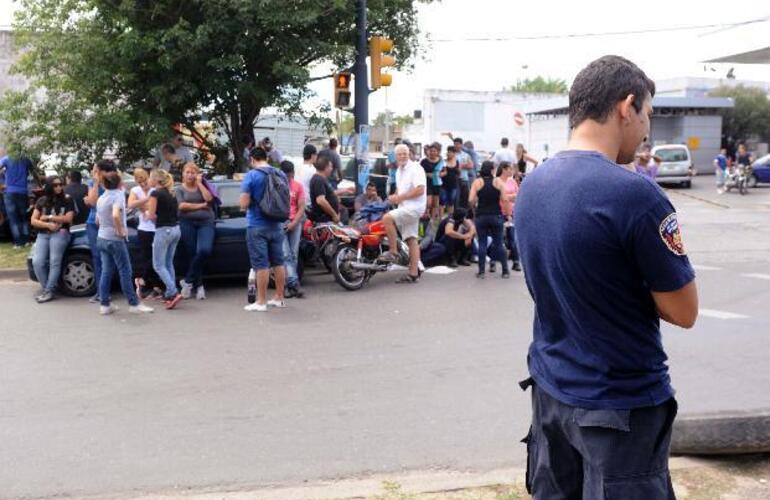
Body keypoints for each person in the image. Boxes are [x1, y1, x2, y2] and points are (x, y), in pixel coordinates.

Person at [515, 55, 698, 499]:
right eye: (648, 116)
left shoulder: (533, 186)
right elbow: (684, 310)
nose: (647, 131)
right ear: (626, 105)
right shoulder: (634, 195)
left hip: (552, 394)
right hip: (619, 409)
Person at [96, 171, 154, 315]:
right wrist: (120, 230)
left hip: (102, 237)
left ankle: (104, 304)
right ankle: (133, 304)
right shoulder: (118, 196)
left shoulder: (102, 197)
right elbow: (116, 214)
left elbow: (98, 220)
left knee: (106, 271)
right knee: (125, 271)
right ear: (120, 183)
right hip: (114, 239)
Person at [240, 148, 288, 312]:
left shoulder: (252, 175)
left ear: (252, 159)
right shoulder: (280, 174)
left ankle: (261, 301)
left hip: (257, 225)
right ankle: (279, 298)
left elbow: (244, 203)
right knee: (279, 262)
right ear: (266, 158)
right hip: (277, 224)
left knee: (261, 265)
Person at [380, 143, 427, 283]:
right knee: (412, 239)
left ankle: (393, 251)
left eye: (405, 154)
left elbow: (420, 190)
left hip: (413, 208)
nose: (402, 156)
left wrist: (399, 198)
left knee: (387, 219)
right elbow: (401, 190)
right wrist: (394, 197)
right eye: (399, 154)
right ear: (395, 156)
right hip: (405, 206)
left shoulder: (416, 168)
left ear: (410, 154)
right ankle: (413, 273)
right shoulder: (399, 170)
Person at [30, 176, 74, 303]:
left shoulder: (67, 199)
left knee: (55, 261)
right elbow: (33, 220)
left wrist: (49, 217)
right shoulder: (42, 200)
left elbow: (68, 218)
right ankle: (48, 289)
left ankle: (48, 291)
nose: (59, 187)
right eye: (55, 185)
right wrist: (47, 225)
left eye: (60, 184)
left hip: (61, 233)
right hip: (43, 234)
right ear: (49, 186)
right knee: (37, 262)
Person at [176, 162, 215, 300]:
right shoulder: (179, 189)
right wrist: (201, 205)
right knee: (192, 254)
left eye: (193, 172)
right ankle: (199, 286)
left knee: (204, 250)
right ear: (183, 174)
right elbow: (182, 206)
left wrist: (200, 184)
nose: (190, 175)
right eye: (187, 172)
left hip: (206, 222)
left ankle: (187, 282)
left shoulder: (203, 185)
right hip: (187, 223)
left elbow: (209, 199)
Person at [146, 169, 183, 310]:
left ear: (156, 180)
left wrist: (146, 213)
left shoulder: (155, 193)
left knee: (158, 265)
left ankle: (173, 291)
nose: (149, 180)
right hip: (175, 229)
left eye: (150, 177)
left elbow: (151, 215)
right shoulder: (171, 193)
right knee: (168, 263)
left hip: (163, 230)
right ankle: (170, 293)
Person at [469, 160, 511, 279]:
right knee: (499, 243)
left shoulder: (477, 182)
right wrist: (508, 214)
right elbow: (505, 199)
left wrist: (474, 208)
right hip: (496, 215)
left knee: (482, 243)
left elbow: (471, 199)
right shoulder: (498, 181)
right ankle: (505, 271)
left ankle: (482, 272)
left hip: (481, 216)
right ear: (492, 169)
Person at [84, 159, 117, 303]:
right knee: (97, 257)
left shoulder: (113, 184)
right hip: (93, 223)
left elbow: (91, 201)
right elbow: (92, 201)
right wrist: (96, 183)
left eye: (96, 170)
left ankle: (108, 289)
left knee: (110, 257)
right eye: (93, 170)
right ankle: (101, 292)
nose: (93, 172)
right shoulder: (92, 183)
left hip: (108, 223)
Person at [127, 168, 162, 299]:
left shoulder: (155, 190)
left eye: (144, 180)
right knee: (146, 258)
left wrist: (143, 205)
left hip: (157, 228)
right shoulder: (135, 191)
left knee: (156, 258)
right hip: (144, 228)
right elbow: (130, 204)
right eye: (139, 181)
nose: (142, 184)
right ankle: (151, 285)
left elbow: (156, 207)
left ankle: (148, 283)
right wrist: (146, 200)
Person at [280, 160, 306, 299]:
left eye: (290, 176)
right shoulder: (276, 187)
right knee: (285, 255)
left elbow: (301, 207)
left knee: (293, 255)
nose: (289, 179)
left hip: (295, 222)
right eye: (286, 176)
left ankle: (291, 286)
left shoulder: (298, 186)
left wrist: (294, 222)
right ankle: (292, 284)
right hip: (281, 222)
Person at [0, 153, 33, 248]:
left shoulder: (6, 159)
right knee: (24, 217)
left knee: (14, 219)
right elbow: (33, 172)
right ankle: (27, 241)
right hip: (23, 191)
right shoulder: (26, 159)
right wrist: (40, 184)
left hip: (10, 192)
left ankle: (18, 243)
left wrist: (1, 185)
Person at [497, 161, 521, 271]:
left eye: (512, 169)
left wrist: (508, 197)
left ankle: (516, 261)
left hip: (512, 212)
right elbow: (500, 197)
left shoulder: (512, 182)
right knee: (498, 237)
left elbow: (518, 195)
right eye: (510, 169)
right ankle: (495, 260)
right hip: (499, 211)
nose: (512, 171)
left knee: (512, 237)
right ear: (503, 169)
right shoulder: (497, 181)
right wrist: (510, 197)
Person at [308, 156, 341, 224]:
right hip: (324, 220)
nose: (331, 169)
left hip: (328, 220)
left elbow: (330, 194)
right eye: (330, 166)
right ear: (326, 167)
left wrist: (345, 190)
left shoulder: (322, 179)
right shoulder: (318, 180)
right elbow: (321, 200)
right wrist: (334, 215)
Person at [420, 143, 443, 221]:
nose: (432, 152)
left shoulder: (441, 161)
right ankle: (425, 215)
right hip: (427, 183)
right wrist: (427, 174)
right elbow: (419, 172)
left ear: (438, 152)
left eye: (434, 151)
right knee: (428, 202)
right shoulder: (424, 161)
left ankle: (432, 220)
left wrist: (439, 175)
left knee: (435, 203)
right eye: (431, 151)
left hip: (437, 183)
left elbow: (445, 172)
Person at [453, 137, 473, 208]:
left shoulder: (466, 155)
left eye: (458, 144)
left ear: (461, 145)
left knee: (465, 197)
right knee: (456, 198)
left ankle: (465, 213)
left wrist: (461, 165)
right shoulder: (452, 154)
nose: (456, 146)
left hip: (464, 178)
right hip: (454, 179)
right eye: (455, 144)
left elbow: (471, 165)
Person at [439, 146, 460, 213]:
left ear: (454, 153)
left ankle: (450, 218)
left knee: (451, 202)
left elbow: (459, 173)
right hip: (444, 185)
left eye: (450, 152)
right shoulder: (443, 162)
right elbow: (439, 172)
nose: (448, 153)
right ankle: (441, 219)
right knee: (442, 201)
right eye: (448, 152)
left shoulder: (457, 162)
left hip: (453, 185)